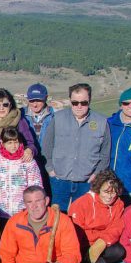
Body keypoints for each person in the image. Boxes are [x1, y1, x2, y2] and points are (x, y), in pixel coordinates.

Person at [41, 83, 111, 212]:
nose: (79, 106)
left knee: (81, 219)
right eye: (75, 103)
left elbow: (105, 153)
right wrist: (50, 169)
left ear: (89, 101)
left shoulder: (101, 122)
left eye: (83, 103)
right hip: (59, 180)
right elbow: (47, 146)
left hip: (86, 182)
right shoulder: (58, 119)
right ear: (70, 101)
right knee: (57, 218)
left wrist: (96, 174)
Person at [68, 169, 127, 263]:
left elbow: (117, 227)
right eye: (106, 192)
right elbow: (76, 232)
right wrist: (97, 241)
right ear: (98, 189)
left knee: (119, 251)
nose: (110, 196)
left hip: (101, 242)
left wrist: (103, 241)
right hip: (82, 245)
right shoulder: (82, 203)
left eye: (113, 192)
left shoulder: (118, 204)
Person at [0, 126, 43, 219]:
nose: (13, 146)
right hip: (0, 209)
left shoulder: (27, 160)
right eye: (9, 143)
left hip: (22, 210)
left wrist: (33, 205)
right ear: (3, 143)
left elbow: (36, 184)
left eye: (16, 142)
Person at [22, 83, 53, 149]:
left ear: (46, 98)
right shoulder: (20, 115)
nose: (34, 105)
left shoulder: (54, 116)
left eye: (38, 100)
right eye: (31, 101)